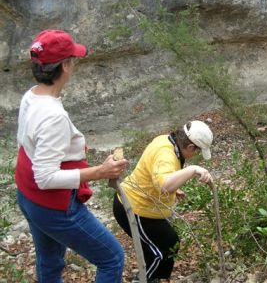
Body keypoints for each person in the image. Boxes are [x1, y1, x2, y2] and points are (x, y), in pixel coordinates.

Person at [15, 29, 128, 283]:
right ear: (65, 66)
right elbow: (45, 177)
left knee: (50, 261)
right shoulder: (53, 116)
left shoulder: (31, 95)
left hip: (27, 195)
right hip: (52, 205)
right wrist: (102, 171)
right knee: (112, 258)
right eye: (73, 59)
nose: (74, 64)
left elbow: (24, 143)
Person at [113, 120, 214, 283]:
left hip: (140, 205)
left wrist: (176, 188)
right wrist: (192, 169)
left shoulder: (166, 141)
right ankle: (144, 280)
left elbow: (156, 174)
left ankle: (151, 278)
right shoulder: (167, 154)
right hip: (134, 209)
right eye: (197, 151)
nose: (196, 155)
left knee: (156, 248)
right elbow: (164, 185)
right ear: (190, 147)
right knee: (165, 247)